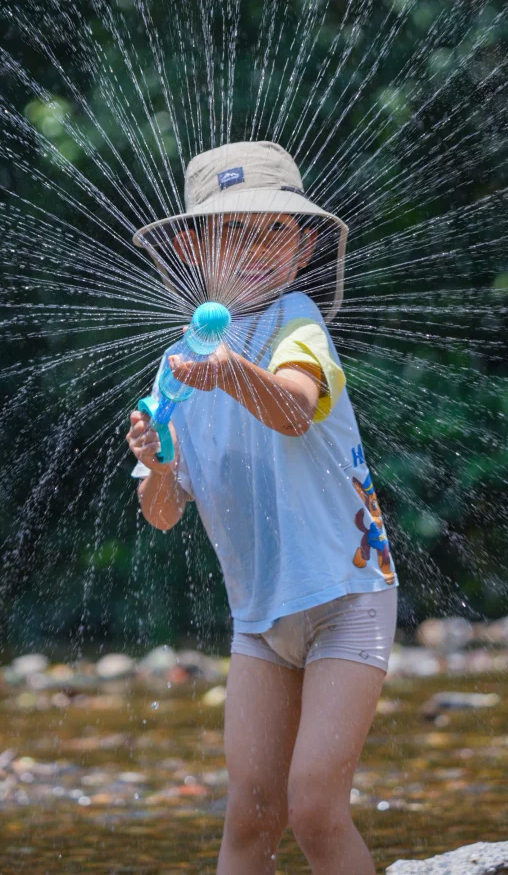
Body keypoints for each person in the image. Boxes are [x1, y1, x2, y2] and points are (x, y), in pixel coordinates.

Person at [128, 141, 397, 875]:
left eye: (272, 231)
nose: (252, 248)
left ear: (303, 245)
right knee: (249, 817)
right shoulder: (177, 361)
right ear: (192, 247)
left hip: (348, 594)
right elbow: (163, 511)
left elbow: (293, 411)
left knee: (313, 805)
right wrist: (156, 463)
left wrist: (227, 373)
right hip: (260, 619)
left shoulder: (299, 321)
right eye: (229, 231)